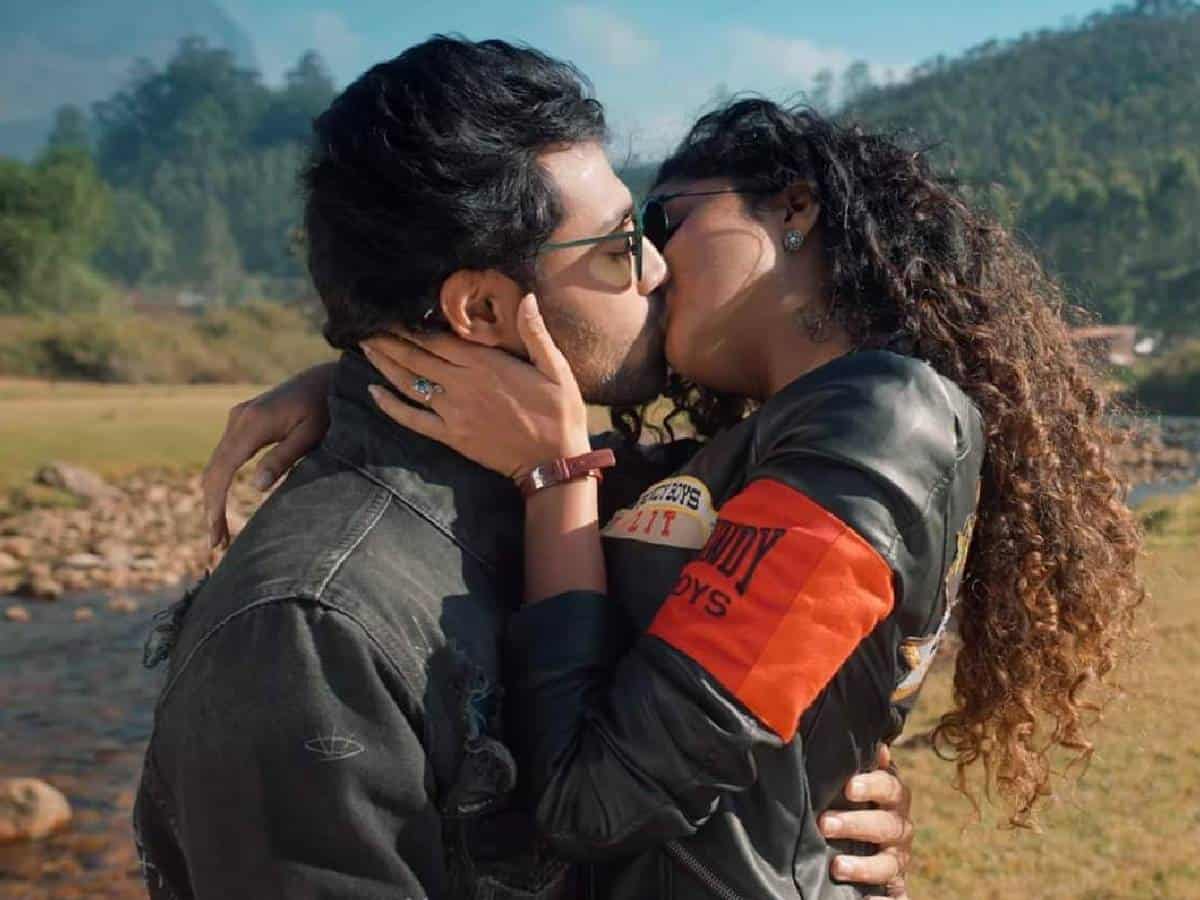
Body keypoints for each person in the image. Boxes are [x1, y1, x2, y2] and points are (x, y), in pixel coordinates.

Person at [210, 99, 1144, 898]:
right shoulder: (759, 451)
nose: (650, 268)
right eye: (627, 245)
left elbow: (591, 802)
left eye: (663, 223)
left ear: (795, 210)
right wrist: (372, 378)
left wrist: (556, 479)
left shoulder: (885, 423)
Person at [137, 38, 913, 900]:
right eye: (621, 246)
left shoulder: (585, 496)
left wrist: (807, 813)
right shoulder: (311, 631)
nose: (658, 271)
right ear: (481, 309)